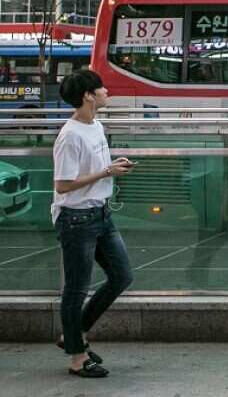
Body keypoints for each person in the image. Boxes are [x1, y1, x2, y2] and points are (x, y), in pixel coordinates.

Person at [52, 69, 134, 379]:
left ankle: (74, 334)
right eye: (101, 88)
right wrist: (105, 173)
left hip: (100, 214)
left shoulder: (96, 125)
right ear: (88, 95)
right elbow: (63, 185)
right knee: (76, 289)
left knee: (122, 275)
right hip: (76, 219)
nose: (106, 92)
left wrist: (112, 167)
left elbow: (96, 168)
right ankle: (76, 356)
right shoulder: (69, 135)